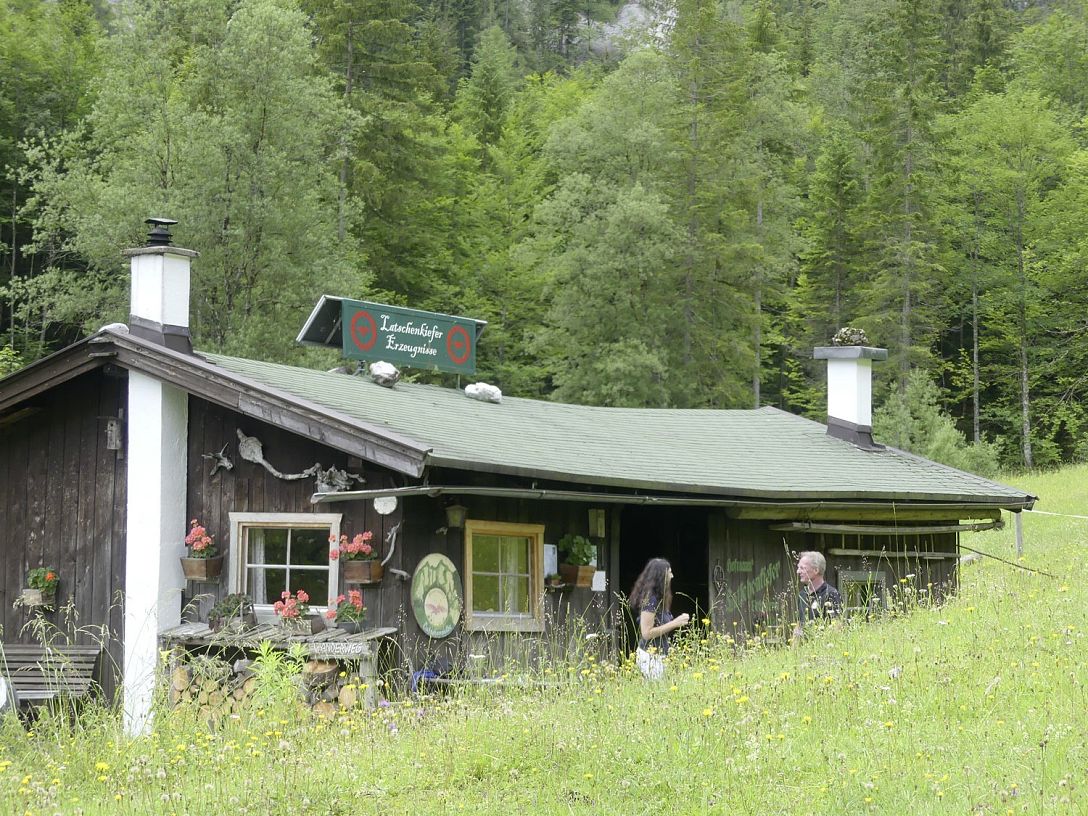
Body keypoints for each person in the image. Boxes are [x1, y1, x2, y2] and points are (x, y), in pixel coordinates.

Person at [629, 558, 690, 679]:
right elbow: (646, 633)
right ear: (661, 576)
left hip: (659, 656)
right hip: (650, 657)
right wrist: (675, 623)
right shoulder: (650, 600)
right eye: (669, 573)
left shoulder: (659, 598)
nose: (672, 576)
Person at [792, 550, 843, 641]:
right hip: (803, 651)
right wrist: (792, 652)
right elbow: (799, 626)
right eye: (798, 568)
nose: (798, 571)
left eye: (802, 568)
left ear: (816, 570)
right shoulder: (802, 595)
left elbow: (837, 627)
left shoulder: (831, 594)